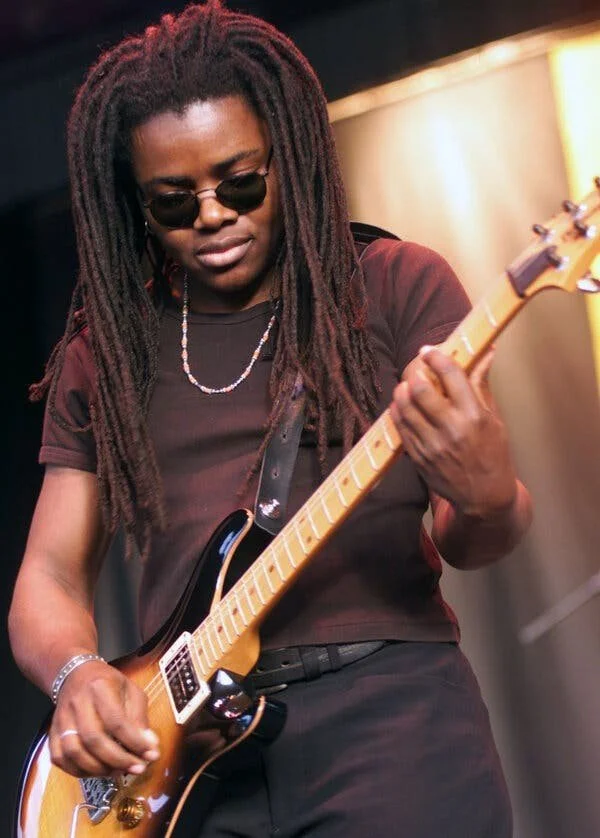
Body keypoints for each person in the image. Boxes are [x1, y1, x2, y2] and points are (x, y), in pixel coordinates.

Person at [9, 1, 532, 835]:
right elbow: (47, 577)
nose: (213, 214)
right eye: (175, 201)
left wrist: (487, 494)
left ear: (287, 159)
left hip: (389, 721)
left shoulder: (394, 287)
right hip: (190, 760)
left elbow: (478, 540)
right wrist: (76, 670)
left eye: (240, 182)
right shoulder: (106, 352)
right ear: (135, 205)